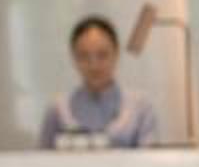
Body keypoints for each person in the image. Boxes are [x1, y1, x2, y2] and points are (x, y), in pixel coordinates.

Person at [37, 15, 160, 149]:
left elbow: (149, 158)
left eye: (102, 55)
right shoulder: (58, 109)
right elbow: (42, 158)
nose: (94, 65)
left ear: (116, 54)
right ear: (74, 58)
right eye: (84, 56)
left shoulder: (140, 108)